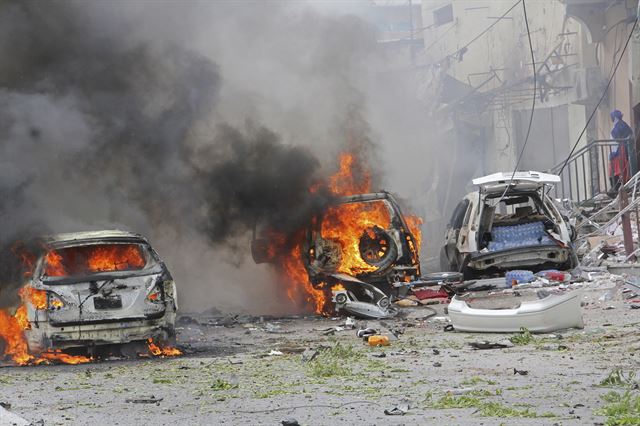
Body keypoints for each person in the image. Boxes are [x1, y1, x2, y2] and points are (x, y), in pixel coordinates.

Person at [608, 109, 634, 191]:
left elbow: (624, 137)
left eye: (612, 116)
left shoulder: (621, 125)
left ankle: (618, 188)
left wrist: (615, 152)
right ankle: (617, 187)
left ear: (615, 117)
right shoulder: (620, 124)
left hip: (619, 151)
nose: (611, 118)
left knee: (618, 170)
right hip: (617, 151)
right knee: (616, 170)